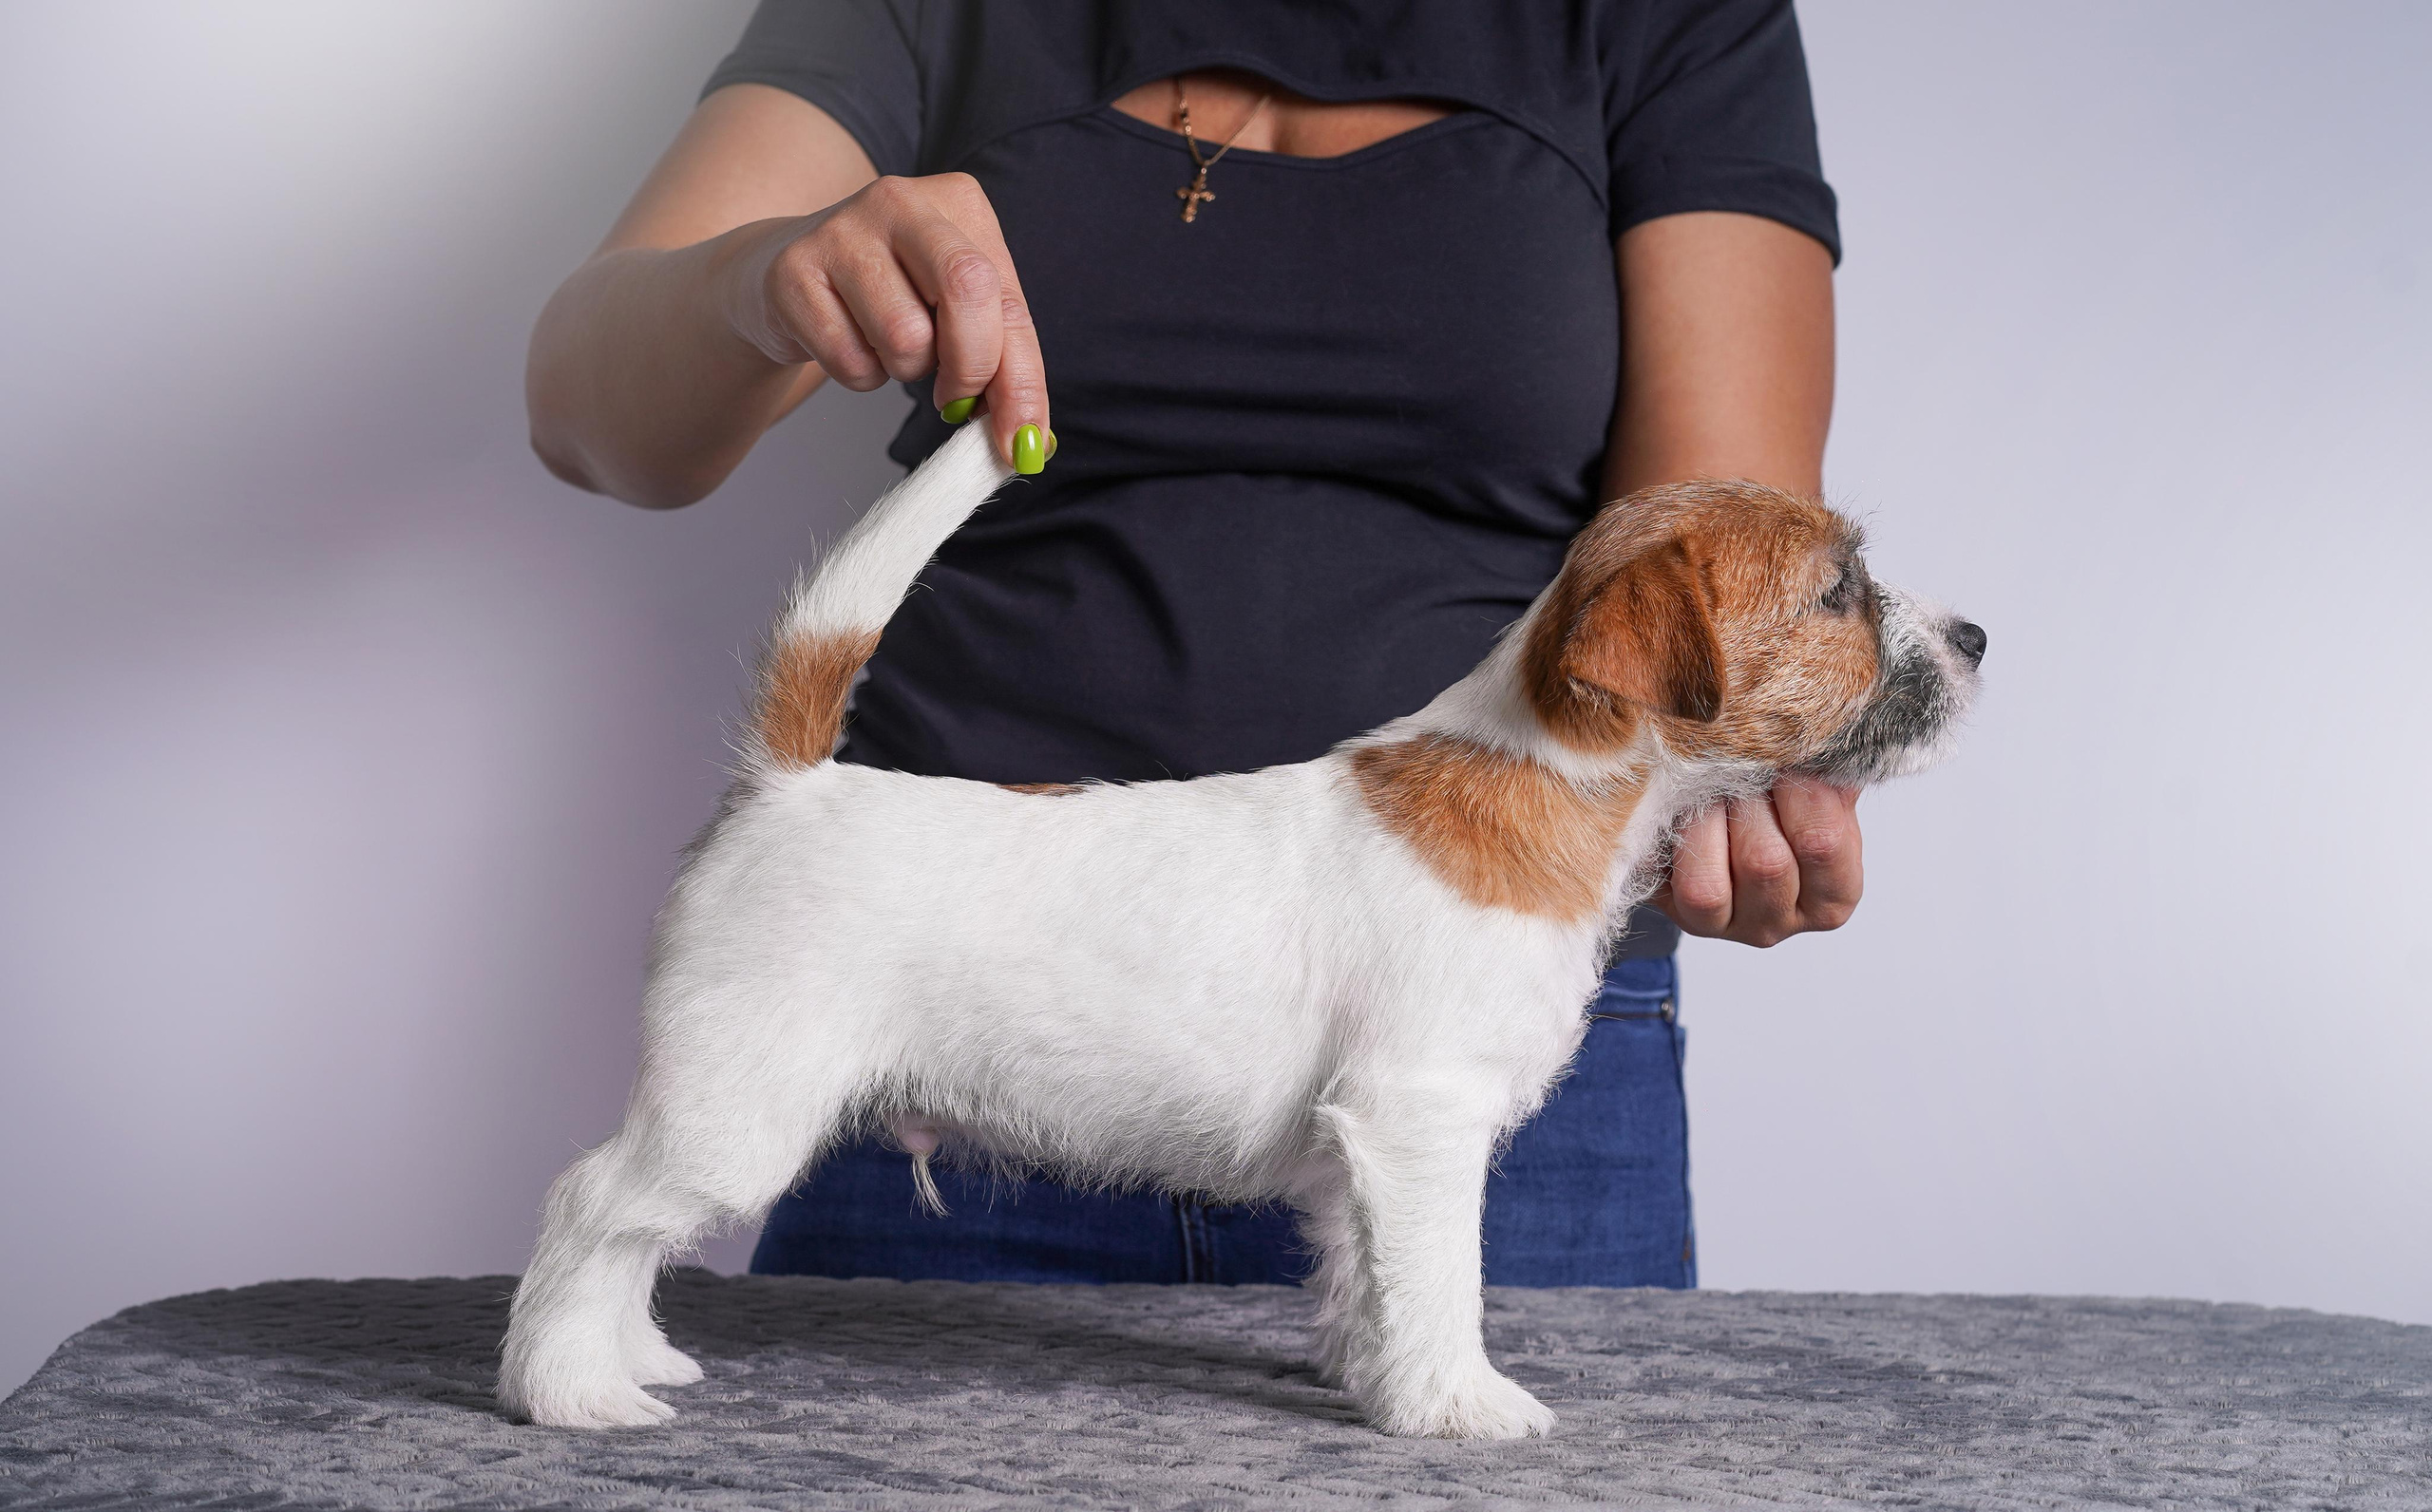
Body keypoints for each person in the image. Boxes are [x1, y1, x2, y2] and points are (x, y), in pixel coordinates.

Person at [527, 1, 1858, 1289]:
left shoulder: (1668, 14)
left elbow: (1717, 566)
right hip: (955, 969)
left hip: (1484, 1001)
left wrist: (1743, 784)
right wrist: (766, 275)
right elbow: (590, 415)